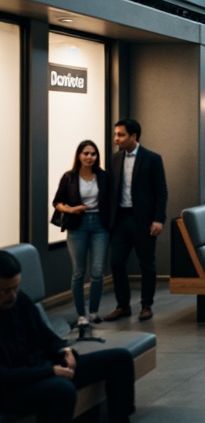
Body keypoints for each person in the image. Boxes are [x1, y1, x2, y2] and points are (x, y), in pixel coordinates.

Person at [0, 249, 156, 423]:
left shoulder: (19, 301)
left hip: (40, 368)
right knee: (60, 390)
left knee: (119, 359)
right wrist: (50, 372)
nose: (11, 295)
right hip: (13, 386)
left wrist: (64, 351)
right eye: (5, 290)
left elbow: (47, 336)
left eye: (15, 288)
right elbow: (4, 378)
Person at [105, 119, 168, 323]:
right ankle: (123, 305)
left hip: (144, 220)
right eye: (116, 134)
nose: (117, 139)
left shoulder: (152, 158)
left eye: (121, 135)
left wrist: (158, 219)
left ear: (134, 136)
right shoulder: (114, 159)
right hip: (120, 219)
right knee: (116, 263)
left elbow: (161, 192)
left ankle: (146, 305)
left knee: (146, 264)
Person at [52, 140, 111, 327]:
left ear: (97, 157)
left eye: (93, 154)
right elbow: (57, 202)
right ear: (79, 155)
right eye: (85, 153)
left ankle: (93, 312)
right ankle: (81, 315)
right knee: (78, 272)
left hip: (100, 226)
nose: (89, 157)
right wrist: (70, 210)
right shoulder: (69, 177)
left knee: (97, 271)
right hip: (77, 226)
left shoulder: (103, 176)